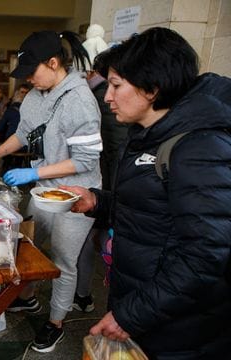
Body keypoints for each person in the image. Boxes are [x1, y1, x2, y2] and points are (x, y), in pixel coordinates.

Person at [64, 27, 231, 359]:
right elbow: (153, 211)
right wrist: (98, 201)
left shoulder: (198, 147)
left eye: (115, 86)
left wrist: (132, 314)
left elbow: (206, 255)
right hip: (148, 304)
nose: (107, 97)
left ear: (152, 88)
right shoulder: (148, 133)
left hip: (181, 330)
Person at [0, 30, 100, 353]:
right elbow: (24, 134)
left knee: (63, 260)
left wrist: (35, 171)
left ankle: (55, 324)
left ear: (53, 63)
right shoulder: (37, 95)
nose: (28, 81)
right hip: (45, 190)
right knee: (27, 247)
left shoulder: (81, 100)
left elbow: (84, 160)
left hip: (77, 194)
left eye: (31, 73)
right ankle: (26, 300)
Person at [73, 57, 129, 313]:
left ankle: (84, 294)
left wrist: (106, 196)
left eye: (116, 85)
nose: (110, 96)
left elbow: (114, 150)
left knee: (93, 240)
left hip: (105, 180)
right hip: (104, 186)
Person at [0, 83, 30, 172]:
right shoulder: (33, 110)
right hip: (28, 146)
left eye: (26, 93)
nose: (24, 95)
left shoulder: (11, 109)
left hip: (14, 144)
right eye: (22, 92)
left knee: (8, 145)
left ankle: (5, 171)